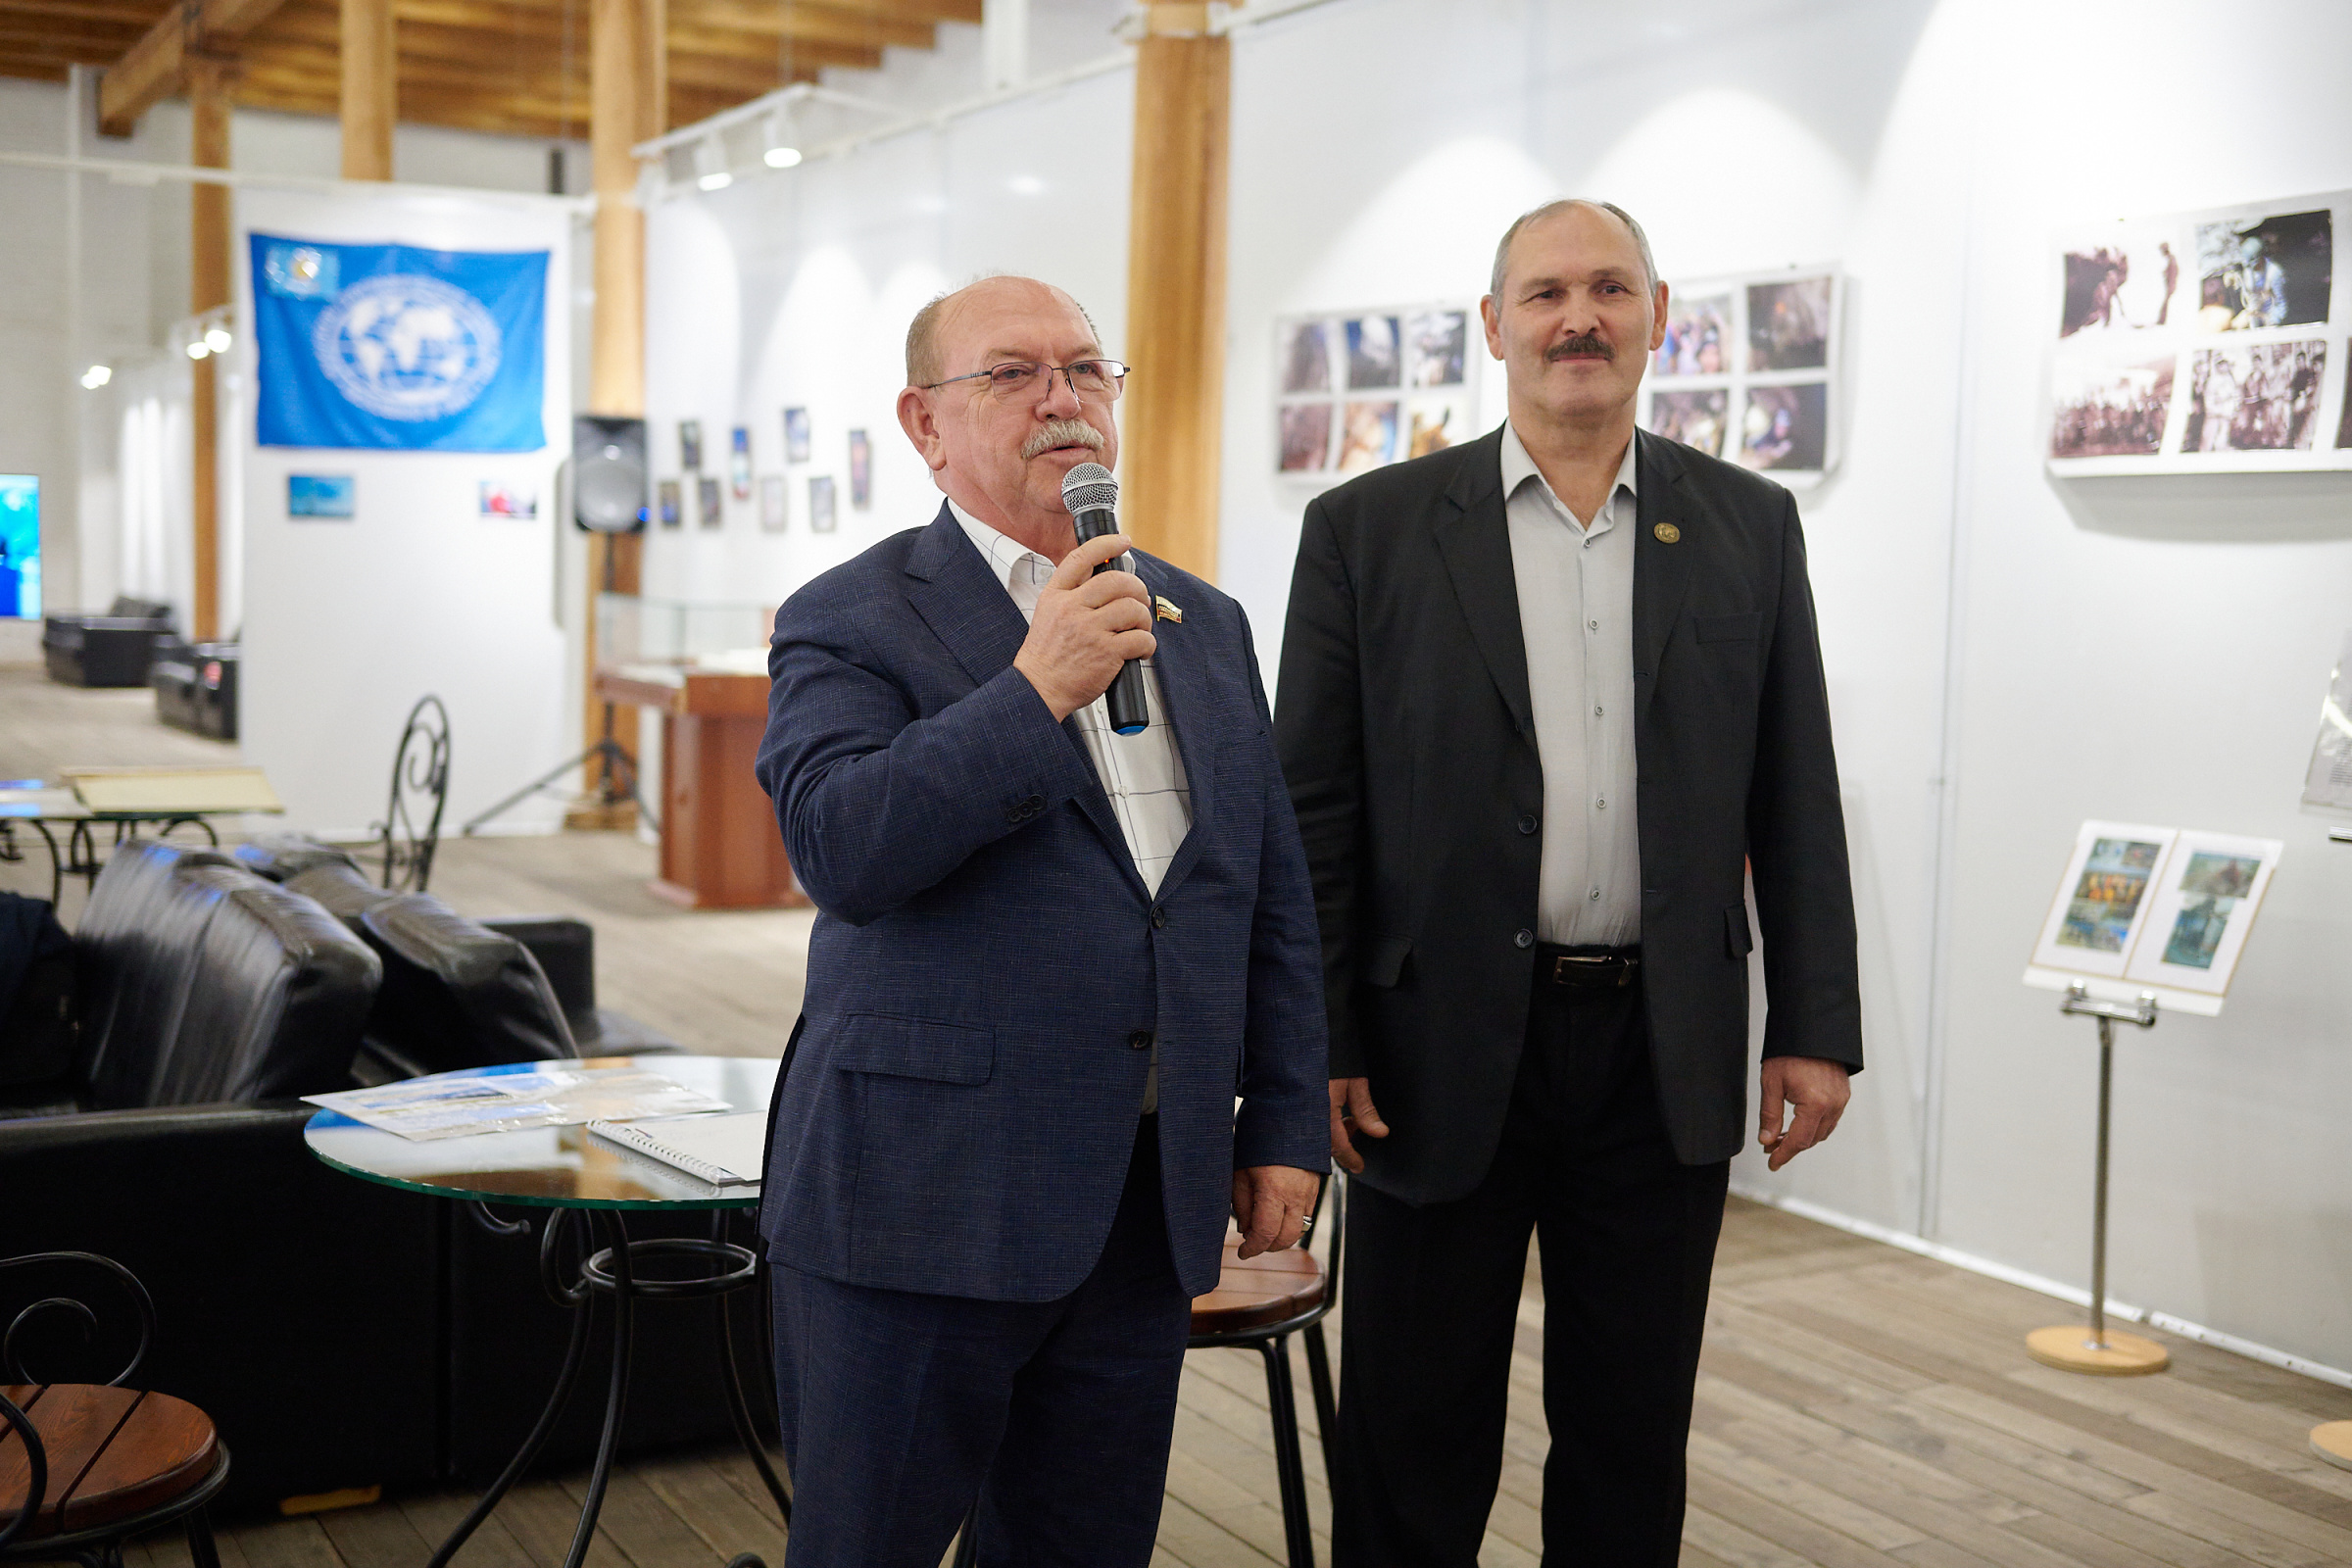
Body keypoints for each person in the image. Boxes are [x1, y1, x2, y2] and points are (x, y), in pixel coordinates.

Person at [1276, 198, 1865, 1566]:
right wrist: (1320, 1036)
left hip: (1661, 1050)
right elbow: (1312, 816)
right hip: (1429, 1048)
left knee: (1629, 1437)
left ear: (1659, 318)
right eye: (1545, 294)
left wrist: (1815, 1025)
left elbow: (1796, 790)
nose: (1579, 318)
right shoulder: (1367, 531)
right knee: (1411, 1439)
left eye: (1610, 288)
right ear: (1494, 327)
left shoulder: (1751, 525)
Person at [753, 274, 1327, 1567]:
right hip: (920, 1202)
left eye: (1084, 369)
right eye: (1012, 373)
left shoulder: (1203, 620)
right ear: (925, 422)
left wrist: (1286, 1121)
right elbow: (842, 849)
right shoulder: (850, 615)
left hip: (1140, 1201)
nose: (1062, 398)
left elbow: (1266, 894)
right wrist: (1033, 690)